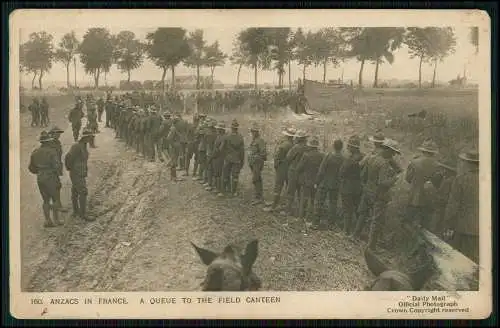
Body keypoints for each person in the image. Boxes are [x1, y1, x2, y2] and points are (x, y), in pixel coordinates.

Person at [443, 149, 479, 263]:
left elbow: (453, 204)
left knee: (460, 257)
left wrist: (448, 223)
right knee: (476, 258)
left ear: (468, 163)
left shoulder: (461, 179)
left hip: (463, 226)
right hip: (483, 227)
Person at [366, 139, 402, 250]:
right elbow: (382, 183)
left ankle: (373, 242)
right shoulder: (383, 163)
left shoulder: (374, 157)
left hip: (370, 190)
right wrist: (395, 179)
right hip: (380, 194)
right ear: (388, 150)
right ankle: (371, 246)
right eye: (393, 152)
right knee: (377, 220)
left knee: (373, 218)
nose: (394, 155)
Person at [28, 131, 63, 227]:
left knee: (45, 200)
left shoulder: (35, 152)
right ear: (48, 142)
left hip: (40, 177)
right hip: (51, 176)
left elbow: (31, 167)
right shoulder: (52, 152)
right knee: (55, 199)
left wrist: (39, 171)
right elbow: (57, 166)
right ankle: (56, 220)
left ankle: (48, 220)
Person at [404, 140, 439, 227]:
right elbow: (437, 183)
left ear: (423, 151)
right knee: (425, 226)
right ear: (433, 153)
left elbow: (408, 179)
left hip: (413, 198)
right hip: (428, 200)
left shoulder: (414, 162)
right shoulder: (437, 165)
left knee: (408, 224)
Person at [64, 129, 95, 221]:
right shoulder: (77, 146)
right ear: (85, 138)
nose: (91, 139)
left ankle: (76, 211)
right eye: (90, 137)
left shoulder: (83, 146)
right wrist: (71, 169)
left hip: (80, 172)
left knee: (75, 191)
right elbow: (68, 157)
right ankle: (83, 214)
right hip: (76, 172)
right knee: (83, 192)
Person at [264, 127, 296, 212]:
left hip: (282, 167)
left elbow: (277, 157)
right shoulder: (294, 145)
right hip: (289, 168)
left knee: (278, 186)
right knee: (288, 186)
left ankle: (274, 206)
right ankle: (284, 205)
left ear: (287, 136)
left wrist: (276, 165)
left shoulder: (283, 145)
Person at [315, 138, 344, 229]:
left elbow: (321, 170)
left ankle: (316, 221)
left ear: (333, 146)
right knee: (333, 204)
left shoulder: (328, 156)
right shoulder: (343, 159)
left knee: (320, 201)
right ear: (341, 147)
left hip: (325, 182)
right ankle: (331, 223)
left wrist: (317, 181)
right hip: (335, 184)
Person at [296, 136, 324, 225]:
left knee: (304, 199)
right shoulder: (321, 155)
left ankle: (301, 217)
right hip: (316, 181)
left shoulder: (306, 155)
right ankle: (310, 218)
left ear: (310, 146)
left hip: (306, 180)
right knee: (313, 200)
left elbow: (299, 168)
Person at [339, 135, 364, 234]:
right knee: (358, 209)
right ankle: (358, 232)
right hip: (359, 187)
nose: (348, 148)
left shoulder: (349, 160)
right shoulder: (364, 157)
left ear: (353, 147)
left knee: (347, 210)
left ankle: (346, 231)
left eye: (349, 146)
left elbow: (341, 172)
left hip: (347, 187)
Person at [282, 130, 308, 216]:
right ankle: (301, 212)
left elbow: (288, 158)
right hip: (303, 173)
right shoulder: (308, 147)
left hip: (293, 172)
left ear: (298, 138)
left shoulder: (296, 147)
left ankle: (288, 211)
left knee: (290, 192)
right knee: (301, 193)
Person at [221, 119, 245, 197]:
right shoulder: (240, 137)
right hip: (237, 159)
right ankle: (234, 192)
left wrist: (225, 155)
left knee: (225, 174)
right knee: (235, 176)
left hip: (228, 158)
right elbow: (242, 151)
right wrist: (242, 161)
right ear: (237, 128)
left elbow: (222, 148)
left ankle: (223, 191)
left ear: (231, 128)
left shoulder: (227, 136)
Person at [48, 126, 68, 212]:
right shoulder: (50, 144)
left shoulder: (57, 142)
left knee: (56, 186)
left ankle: (55, 204)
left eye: (59, 133)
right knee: (56, 186)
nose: (59, 134)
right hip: (52, 169)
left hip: (56, 167)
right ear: (52, 134)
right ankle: (57, 205)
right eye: (57, 133)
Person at [248, 123, 268, 205]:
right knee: (257, 179)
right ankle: (258, 196)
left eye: (254, 131)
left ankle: (258, 197)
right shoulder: (254, 140)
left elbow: (264, 153)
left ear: (257, 132)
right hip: (253, 162)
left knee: (256, 179)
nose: (252, 133)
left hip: (257, 163)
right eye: (252, 131)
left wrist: (256, 156)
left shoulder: (260, 141)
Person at [212, 122, 227, 195]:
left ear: (221, 130)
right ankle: (217, 188)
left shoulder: (224, 137)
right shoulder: (219, 136)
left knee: (220, 174)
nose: (217, 130)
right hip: (216, 157)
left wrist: (214, 154)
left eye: (218, 129)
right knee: (216, 173)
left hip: (220, 157)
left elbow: (221, 149)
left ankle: (221, 190)